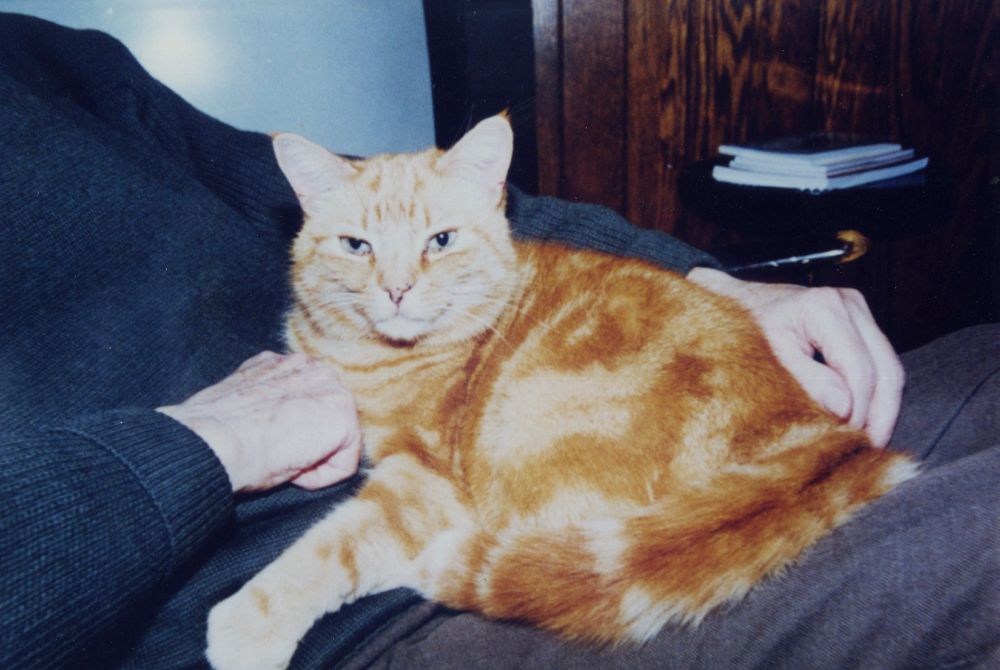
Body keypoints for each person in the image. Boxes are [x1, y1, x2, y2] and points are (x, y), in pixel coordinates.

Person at [0, 12, 995, 670]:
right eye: (356, 252)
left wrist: (715, 281)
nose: (394, 287)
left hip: (526, 477)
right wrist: (193, 449)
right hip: (328, 606)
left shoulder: (48, 59)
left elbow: (421, 196)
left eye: (423, 254)